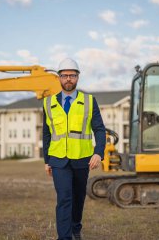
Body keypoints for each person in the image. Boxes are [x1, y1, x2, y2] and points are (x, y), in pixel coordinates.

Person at [43, 58, 106, 240]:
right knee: (64, 198)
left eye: (72, 75)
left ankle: (75, 228)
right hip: (58, 160)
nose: (68, 79)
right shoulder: (48, 103)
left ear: (78, 77)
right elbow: (47, 134)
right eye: (64, 75)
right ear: (59, 78)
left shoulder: (89, 101)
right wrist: (47, 161)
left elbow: (99, 129)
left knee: (78, 198)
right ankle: (65, 237)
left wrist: (98, 153)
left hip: (82, 158)